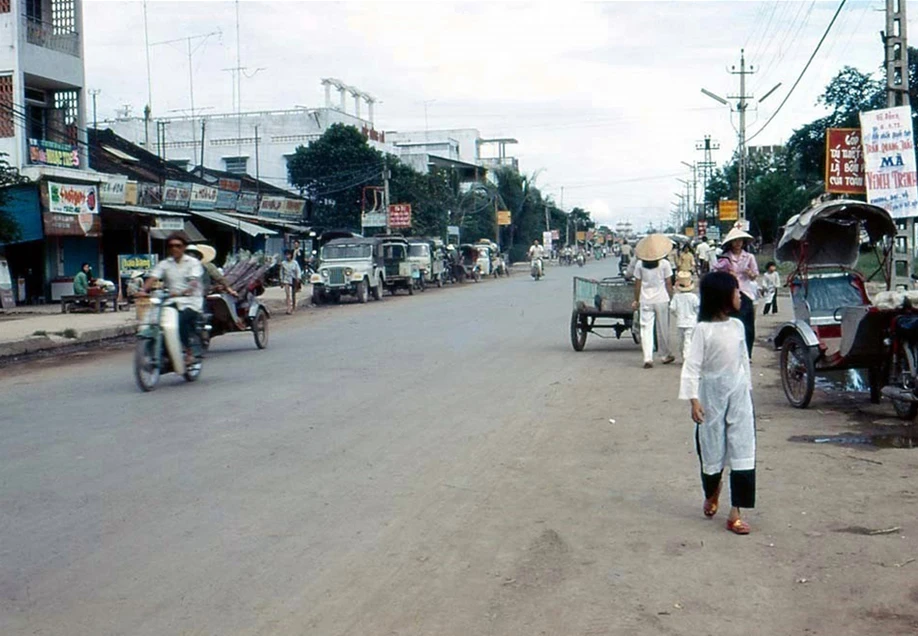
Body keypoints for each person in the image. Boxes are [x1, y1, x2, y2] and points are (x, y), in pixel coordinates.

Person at [680, 271, 756, 535]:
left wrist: (747, 390)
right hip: (711, 393)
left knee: (743, 448)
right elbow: (692, 367)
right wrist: (694, 401)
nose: (740, 296)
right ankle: (712, 491)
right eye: (735, 291)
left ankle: (736, 512)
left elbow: (743, 360)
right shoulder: (703, 330)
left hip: (738, 393)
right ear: (723, 297)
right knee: (711, 447)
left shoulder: (737, 326)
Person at [142, 233, 204, 366]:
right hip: (171, 300)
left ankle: (189, 352)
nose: (174, 248)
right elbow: (153, 278)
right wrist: (142, 291)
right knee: (159, 321)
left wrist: (185, 291)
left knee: (180, 322)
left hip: (191, 301)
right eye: (171, 246)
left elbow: (193, 281)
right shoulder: (165, 264)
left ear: (184, 247)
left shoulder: (193, 263)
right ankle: (164, 351)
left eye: (178, 246)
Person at [714, 225, 759, 358]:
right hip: (729, 292)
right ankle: (732, 352)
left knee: (747, 325)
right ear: (730, 243)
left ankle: (747, 353)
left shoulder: (749, 257)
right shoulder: (725, 258)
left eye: (740, 240)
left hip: (745, 292)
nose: (738, 243)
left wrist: (749, 273)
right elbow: (716, 273)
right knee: (731, 323)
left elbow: (755, 275)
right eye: (735, 241)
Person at [632, 234, 675, 369]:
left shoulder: (639, 264)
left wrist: (636, 300)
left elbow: (637, 284)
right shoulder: (665, 264)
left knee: (646, 329)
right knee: (663, 328)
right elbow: (668, 283)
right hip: (662, 299)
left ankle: (647, 357)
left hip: (645, 300)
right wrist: (671, 297)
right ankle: (665, 355)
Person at [670, 271, 700, 362]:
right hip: (691, 321)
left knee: (681, 340)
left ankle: (683, 355)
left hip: (680, 321)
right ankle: (687, 356)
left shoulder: (676, 297)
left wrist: (677, 314)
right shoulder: (693, 297)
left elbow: (672, 308)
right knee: (688, 339)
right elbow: (697, 308)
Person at [279, 248, 303, 314]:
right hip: (286, 279)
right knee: (287, 294)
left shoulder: (295, 263)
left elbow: (298, 271)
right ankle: (288, 308)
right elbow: (281, 272)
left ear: (291, 255)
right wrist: (281, 280)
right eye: (286, 255)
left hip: (294, 279)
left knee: (293, 294)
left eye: (288, 255)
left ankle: (294, 307)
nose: (287, 256)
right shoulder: (283, 263)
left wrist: (298, 278)